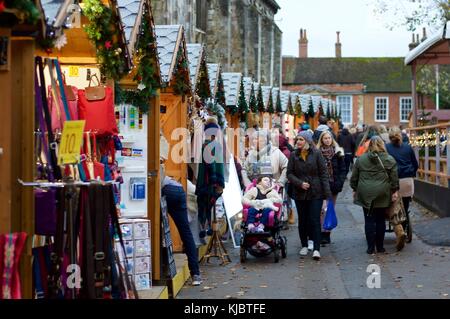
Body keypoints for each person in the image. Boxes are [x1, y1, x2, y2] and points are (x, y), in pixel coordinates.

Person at [160, 134, 202, 286]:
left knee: (158, 230)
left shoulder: (150, 149)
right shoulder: (160, 147)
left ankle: (160, 267)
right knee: (186, 233)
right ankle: (196, 274)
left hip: (165, 190)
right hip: (177, 189)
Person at [287, 131, 332, 260]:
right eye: (297, 140)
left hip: (315, 192)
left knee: (314, 220)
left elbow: (324, 174)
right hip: (300, 193)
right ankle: (304, 245)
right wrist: (300, 183)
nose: (298, 142)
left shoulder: (316, 153)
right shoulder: (294, 155)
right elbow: (289, 173)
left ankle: (316, 249)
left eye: (301, 140)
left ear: (307, 141)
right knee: (303, 220)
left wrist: (326, 196)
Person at [350, 136, 399, 254]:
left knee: (369, 220)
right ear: (382, 145)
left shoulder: (361, 159)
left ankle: (370, 247)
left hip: (365, 192)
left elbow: (354, 177)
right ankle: (380, 247)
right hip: (382, 192)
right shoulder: (389, 159)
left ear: (370, 145)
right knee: (380, 220)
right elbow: (394, 178)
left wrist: (354, 188)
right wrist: (395, 190)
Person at [386, 127, 419, 250]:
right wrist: (411, 173)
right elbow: (415, 164)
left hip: (392, 181)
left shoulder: (386, 147)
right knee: (405, 207)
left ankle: (397, 227)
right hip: (407, 180)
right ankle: (404, 229)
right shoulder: (408, 147)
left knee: (392, 205)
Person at [196, 118, 225, 238]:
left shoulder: (204, 146)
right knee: (209, 206)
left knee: (203, 205)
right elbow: (216, 166)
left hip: (205, 182)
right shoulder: (215, 146)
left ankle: (204, 226)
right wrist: (217, 182)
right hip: (212, 183)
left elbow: (210, 165)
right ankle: (207, 226)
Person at [317, 131, 346, 245]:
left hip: (334, 185)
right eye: (325, 138)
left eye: (329, 138)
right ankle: (320, 232)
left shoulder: (338, 152)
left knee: (329, 209)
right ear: (322, 140)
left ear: (332, 139)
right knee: (321, 209)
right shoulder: (317, 153)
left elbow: (343, 169)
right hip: (321, 185)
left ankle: (327, 233)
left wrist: (340, 182)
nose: (327, 140)